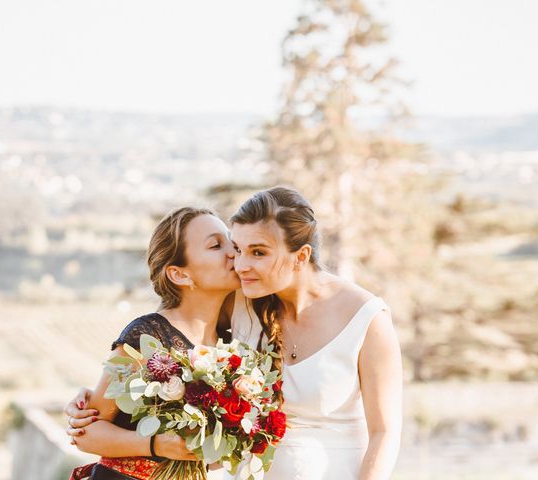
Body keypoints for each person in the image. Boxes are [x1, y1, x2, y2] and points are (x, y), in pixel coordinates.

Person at [67, 186, 402, 480]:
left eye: (257, 252)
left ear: (301, 256)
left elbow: (385, 432)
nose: (239, 263)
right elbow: (178, 334)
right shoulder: (241, 303)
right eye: (235, 248)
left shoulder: (366, 318)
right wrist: (100, 394)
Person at [65, 206, 240, 479]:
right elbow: (87, 433)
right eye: (216, 245)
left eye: (231, 241)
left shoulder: (233, 344)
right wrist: (156, 444)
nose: (232, 252)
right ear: (179, 274)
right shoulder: (146, 335)